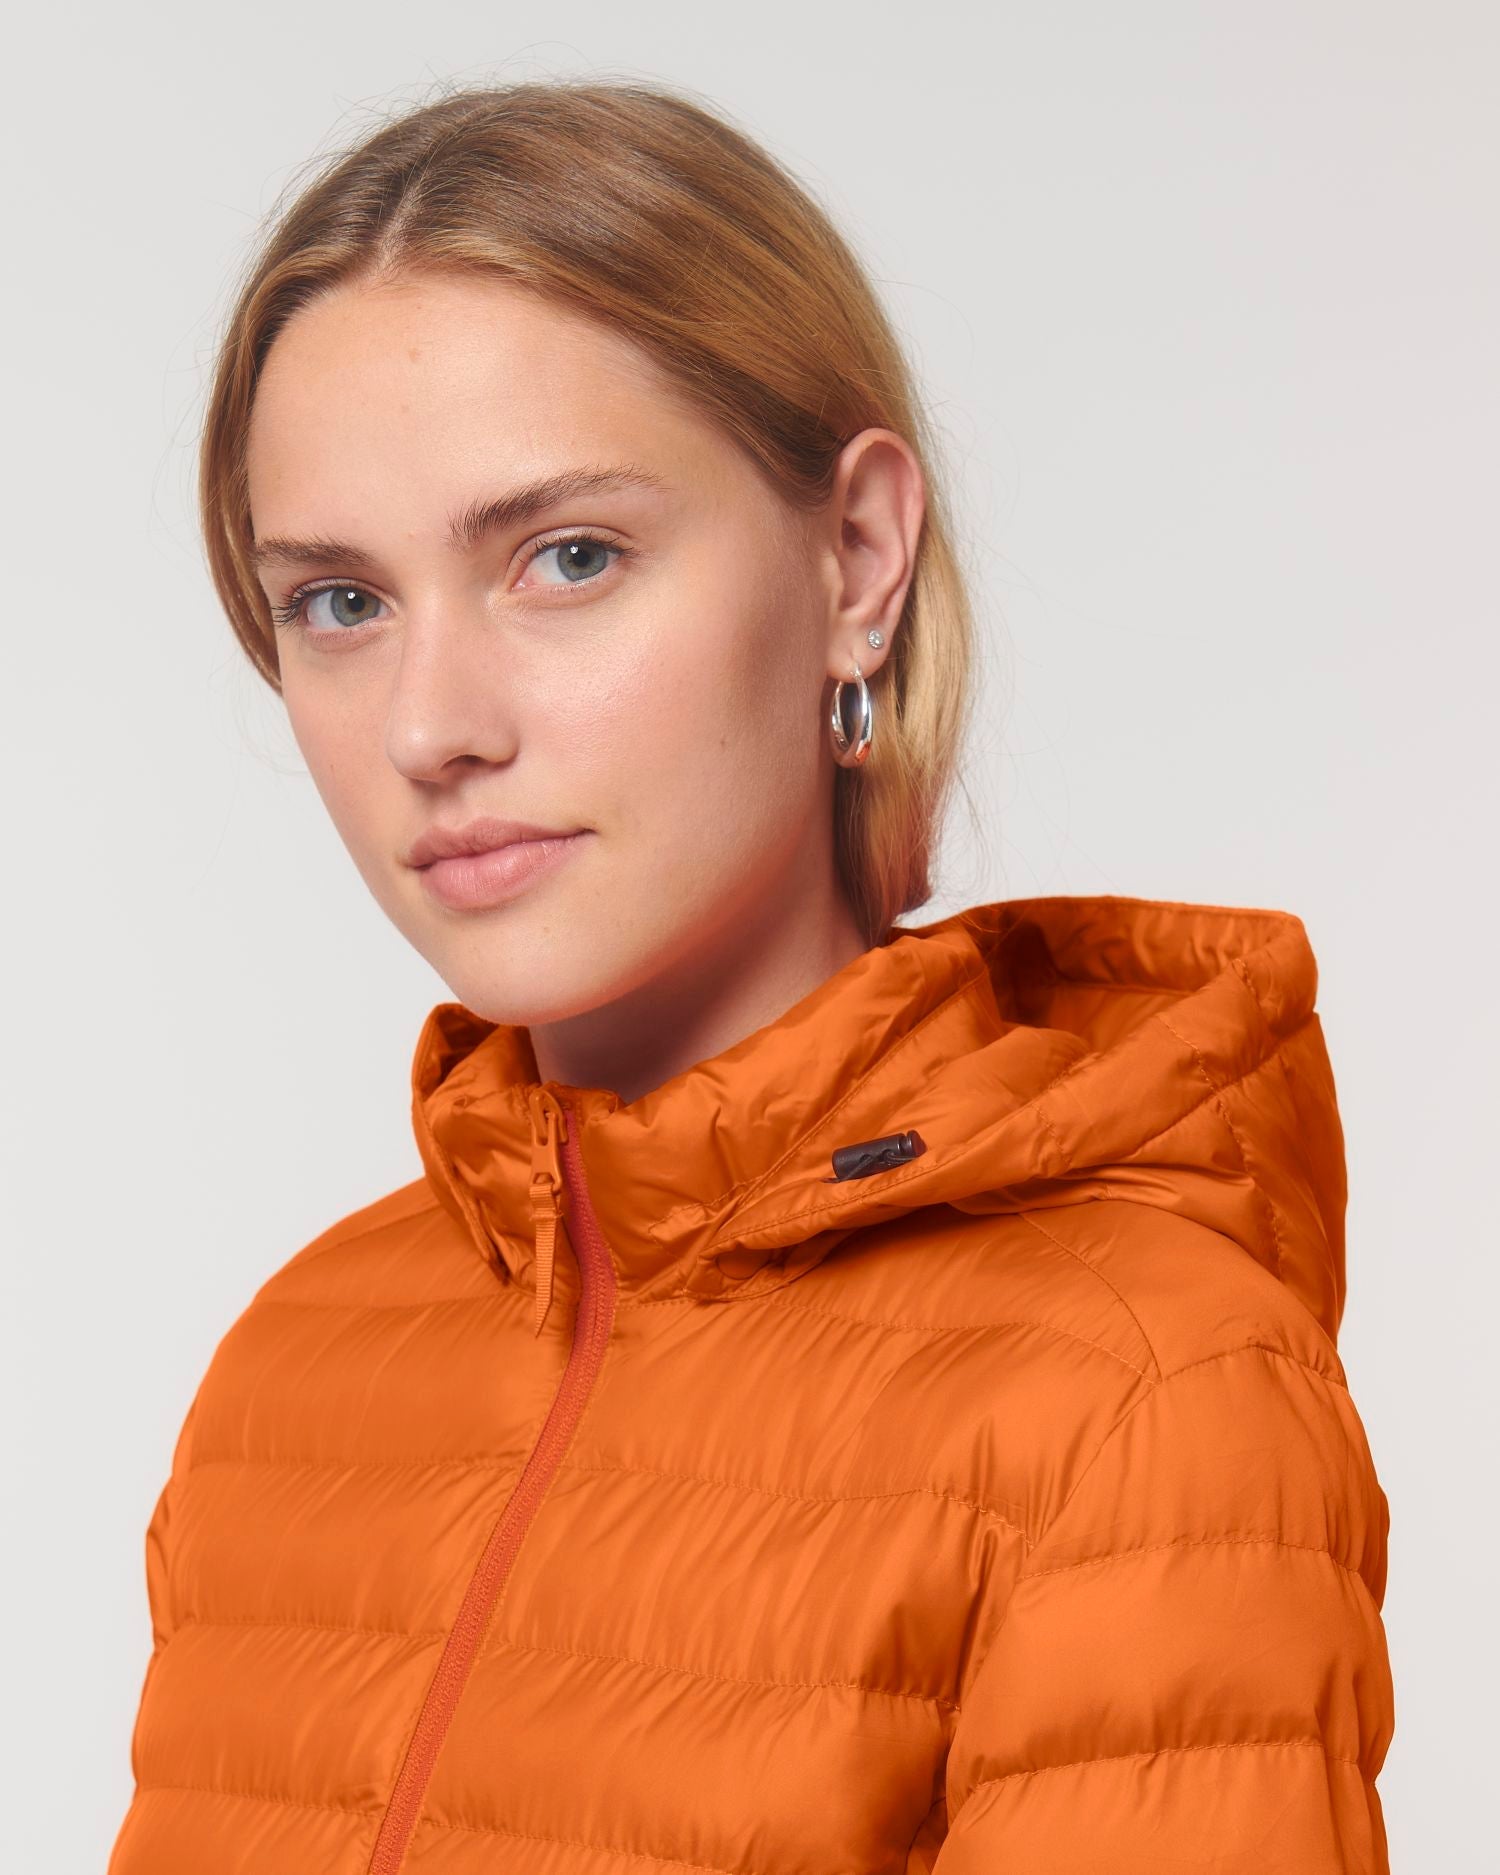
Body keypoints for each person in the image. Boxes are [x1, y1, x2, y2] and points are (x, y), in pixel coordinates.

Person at [107, 78, 1394, 1875]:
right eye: (339, 600)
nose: (428, 724)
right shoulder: (296, 1377)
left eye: (567, 558)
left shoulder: (1140, 1393)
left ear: (856, 560)